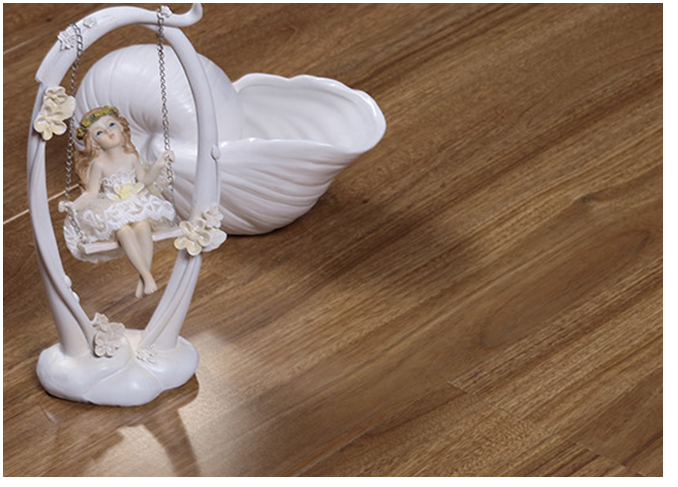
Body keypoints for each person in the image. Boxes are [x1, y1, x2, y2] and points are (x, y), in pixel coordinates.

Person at [63, 106, 175, 297]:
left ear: (121, 127)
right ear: (94, 142)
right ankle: (146, 276)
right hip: (113, 206)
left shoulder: (131, 157)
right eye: (99, 132)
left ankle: (144, 277)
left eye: (111, 125)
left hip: (135, 201)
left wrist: (158, 165)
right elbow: (91, 193)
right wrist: (73, 205)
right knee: (124, 231)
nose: (109, 132)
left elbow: (144, 180)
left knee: (142, 227)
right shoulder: (99, 164)